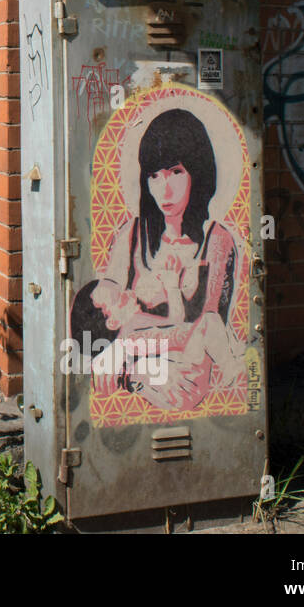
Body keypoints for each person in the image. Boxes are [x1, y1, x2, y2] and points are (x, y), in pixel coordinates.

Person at [71, 107, 246, 412]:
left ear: (198, 172)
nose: (164, 189)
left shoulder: (218, 241)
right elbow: (102, 319)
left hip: (189, 377)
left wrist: (126, 346)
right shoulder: (132, 235)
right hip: (145, 386)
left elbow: (206, 328)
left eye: (175, 172)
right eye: (154, 176)